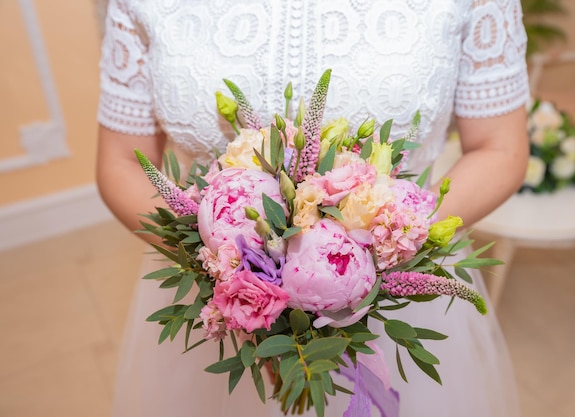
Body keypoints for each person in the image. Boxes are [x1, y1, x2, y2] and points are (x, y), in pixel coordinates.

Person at [96, 1, 530, 416]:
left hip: (394, 292)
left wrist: (384, 249)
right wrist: (239, 286)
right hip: (223, 304)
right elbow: (121, 162)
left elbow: (500, 148)